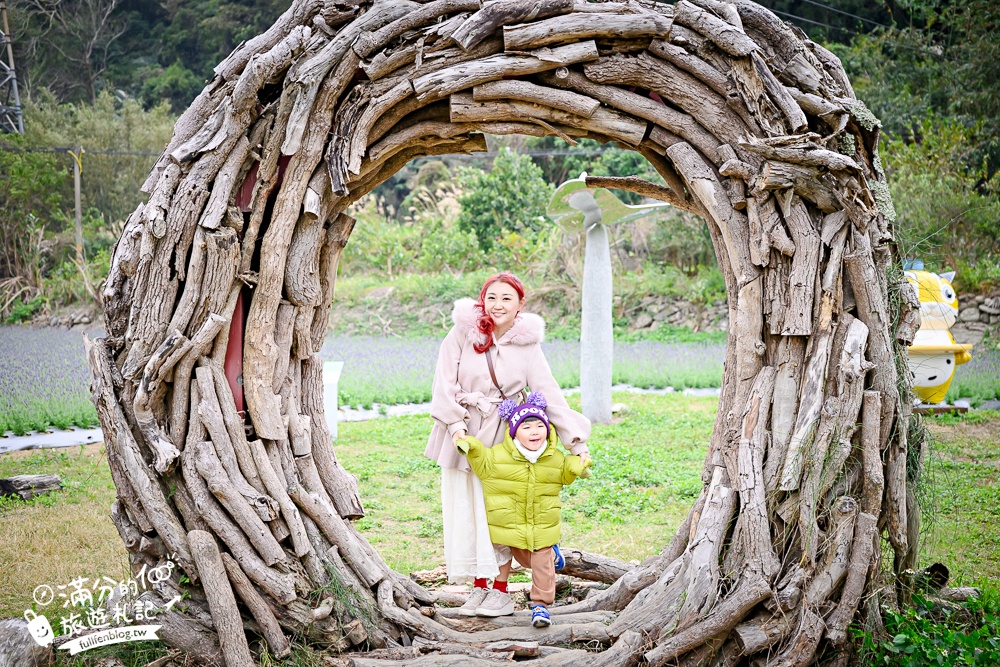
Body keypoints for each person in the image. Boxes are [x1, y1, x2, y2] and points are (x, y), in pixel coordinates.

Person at [424, 272, 591, 614]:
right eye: (492, 297)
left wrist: (576, 443)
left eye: (506, 298)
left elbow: (549, 393)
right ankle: (478, 587)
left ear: (520, 305)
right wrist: (455, 426)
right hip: (463, 433)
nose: (497, 305)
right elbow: (443, 383)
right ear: (482, 300)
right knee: (468, 510)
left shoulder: (527, 345)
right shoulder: (462, 333)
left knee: (500, 512)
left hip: (503, 434)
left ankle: (500, 591)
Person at [455, 392, 592, 627]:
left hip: (542, 527)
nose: (535, 431)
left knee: (541, 565)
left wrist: (578, 465)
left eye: (540, 426)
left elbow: (567, 470)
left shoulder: (555, 458)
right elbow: (482, 460)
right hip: (509, 528)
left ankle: (541, 605)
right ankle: (495, 589)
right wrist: (471, 445)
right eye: (526, 427)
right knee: (509, 554)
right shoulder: (499, 456)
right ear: (514, 432)